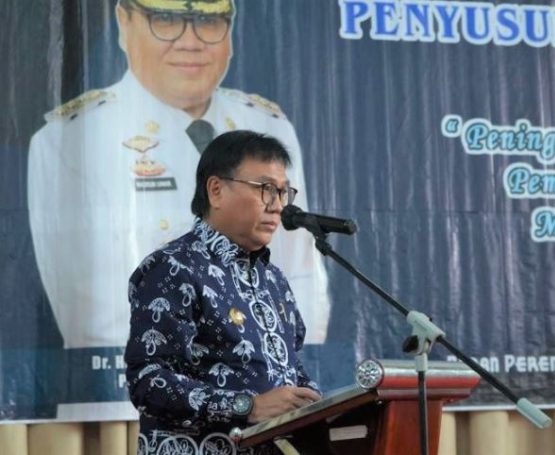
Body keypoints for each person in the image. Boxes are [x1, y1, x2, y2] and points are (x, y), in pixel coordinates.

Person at [27, 0, 329, 349]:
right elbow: (93, 312)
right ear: (125, 22)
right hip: (147, 372)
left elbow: (300, 277)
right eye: (166, 20)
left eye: (208, 21)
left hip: (261, 372)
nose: (191, 41)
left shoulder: (268, 126)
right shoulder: (71, 139)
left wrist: (273, 363)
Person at [126, 130, 322, 454]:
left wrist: (318, 404)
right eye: (265, 189)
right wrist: (247, 406)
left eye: (283, 192)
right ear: (216, 190)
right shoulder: (173, 267)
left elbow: (292, 371)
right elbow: (148, 380)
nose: (278, 206)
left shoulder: (273, 280)